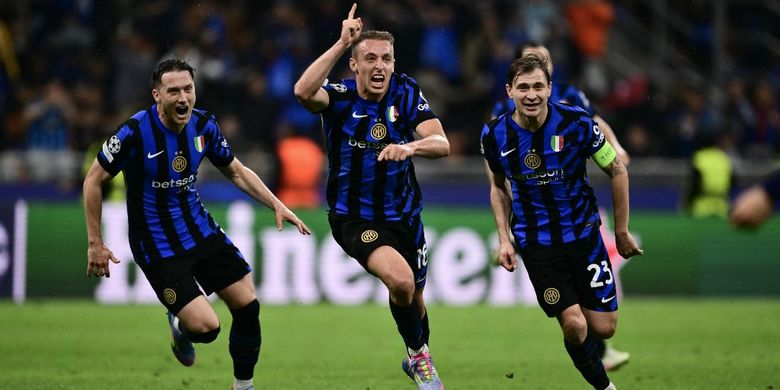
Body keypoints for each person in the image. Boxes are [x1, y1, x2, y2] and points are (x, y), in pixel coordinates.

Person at [83, 58, 311, 390]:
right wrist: (95, 242)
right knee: (207, 328)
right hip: (157, 245)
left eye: (188, 89)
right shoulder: (133, 133)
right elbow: (93, 181)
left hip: (199, 231)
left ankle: (243, 387)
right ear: (156, 95)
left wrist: (275, 203)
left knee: (247, 306)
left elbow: (235, 170)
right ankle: (179, 323)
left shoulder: (204, 126)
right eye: (173, 91)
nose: (183, 98)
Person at [293, 4, 448, 389]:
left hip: (406, 215)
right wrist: (340, 42)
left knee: (415, 299)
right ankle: (420, 358)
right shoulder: (341, 97)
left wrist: (410, 148)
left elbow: (441, 143)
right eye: (369, 58)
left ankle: (417, 353)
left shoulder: (406, 91)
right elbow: (303, 91)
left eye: (386, 59)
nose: (379, 66)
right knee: (401, 281)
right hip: (354, 217)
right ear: (354, 65)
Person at [480, 54, 643, 390]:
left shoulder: (577, 123)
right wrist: (505, 239)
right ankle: (606, 388)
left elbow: (616, 169)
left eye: (538, 86)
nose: (531, 94)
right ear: (509, 91)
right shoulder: (495, 134)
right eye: (523, 87)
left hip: (585, 238)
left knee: (604, 327)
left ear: (550, 88)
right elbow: (498, 188)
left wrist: (622, 231)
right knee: (573, 324)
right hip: (538, 246)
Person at [491, 42, 630, 166]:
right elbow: (493, 149)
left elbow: (595, 122)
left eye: (545, 60)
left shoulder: (568, 94)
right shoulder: (503, 108)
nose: (541, 65)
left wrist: (617, 148)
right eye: (533, 60)